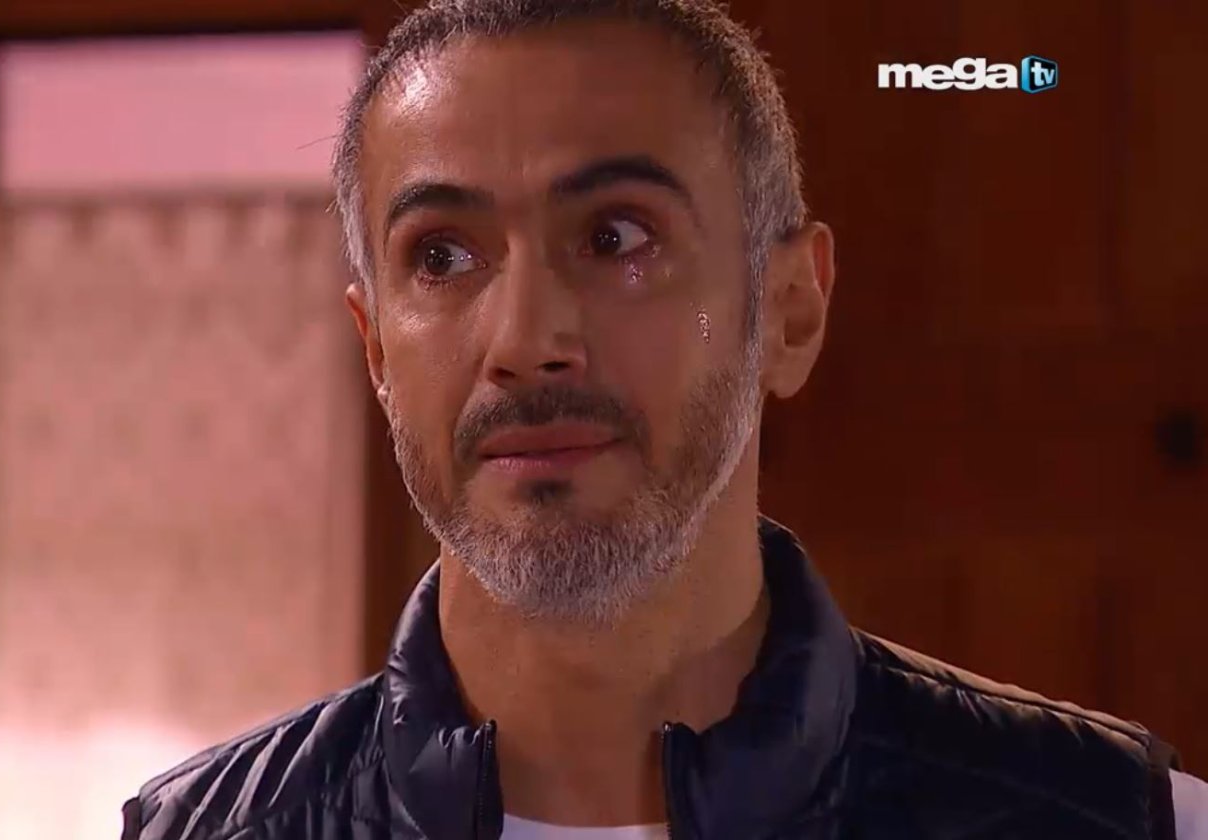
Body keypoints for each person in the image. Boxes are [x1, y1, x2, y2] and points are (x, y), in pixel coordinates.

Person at [121, 0, 1208, 837]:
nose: (524, 339)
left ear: (790, 311)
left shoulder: (1118, 820)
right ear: (375, 352)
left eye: (616, 239)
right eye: (442, 256)